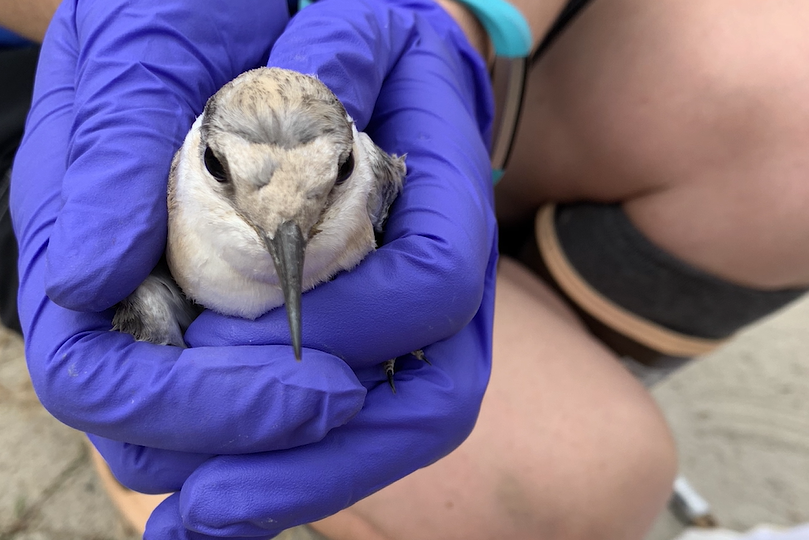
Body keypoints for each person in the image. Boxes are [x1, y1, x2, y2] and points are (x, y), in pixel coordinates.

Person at [5, 1, 807, 540]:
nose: (286, 230)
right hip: (68, 68)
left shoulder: (376, 171)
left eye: (334, 186)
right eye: (222, 172)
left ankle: (532, 326)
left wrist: (457, 16)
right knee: (583, 482)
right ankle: (178, 434)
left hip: (385, 45)